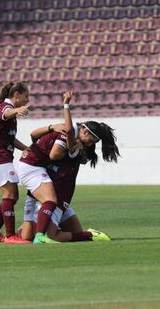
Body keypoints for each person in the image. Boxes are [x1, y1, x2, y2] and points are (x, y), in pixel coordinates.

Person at [18, 90, 119, 244]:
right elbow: (40, 137)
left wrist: (65, 106)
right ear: (84, 130)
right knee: (30, 235)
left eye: (93, 143)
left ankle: (90, 235)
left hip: (60, 195)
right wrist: (52, 126)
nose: (90, 144)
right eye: (91, 140)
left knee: (60, 234)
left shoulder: (75, 145)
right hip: (47, 186)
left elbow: (66, 144)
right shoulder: (71, 138)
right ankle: (29, 234)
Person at [0, 81, 31, 244]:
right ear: (16, 95)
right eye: (26, 96)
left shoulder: (9, 112)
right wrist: (17, 110)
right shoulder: (4, 108)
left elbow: (10, 138)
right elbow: (6, 113)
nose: (27, 100)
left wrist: (26, 148)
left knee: (12, 195)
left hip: (1, 158)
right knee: (10, 194)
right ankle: (10, 235)